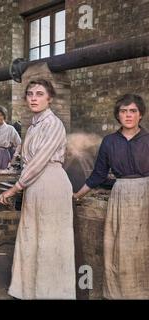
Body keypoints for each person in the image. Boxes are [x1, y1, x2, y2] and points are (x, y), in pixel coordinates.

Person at [0, 79, 75, 299]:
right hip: (34, 185)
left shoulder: (53, 124)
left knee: (51, 240)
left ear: (49, 98)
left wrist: (14, 189)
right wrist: (11, 167)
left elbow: (39, 161)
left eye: (40, 94)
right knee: (33, 237)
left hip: (51, 184)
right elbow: (22, 155)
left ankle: (52, 293)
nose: (34, 98)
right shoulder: (34, 125)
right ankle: (31, 291)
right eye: (30, 94)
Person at [74, 94, 149, 299]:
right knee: (121, 248)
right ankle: (121, 292)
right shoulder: (109, 142)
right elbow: (98, 174)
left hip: (146, 197)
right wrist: (77, 195)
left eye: (132, 111)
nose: (128, 115)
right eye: (123, 111)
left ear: (140, 114)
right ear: (118, 115)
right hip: (121, 196)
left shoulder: (148, 139)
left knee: (144, 246)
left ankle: (143, 291)